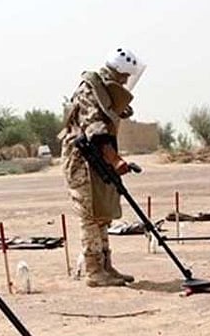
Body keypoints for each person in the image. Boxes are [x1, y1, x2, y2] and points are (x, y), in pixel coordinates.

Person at [59, 48, 146, 287]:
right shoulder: (90, 89)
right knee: (90, 215)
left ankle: (106, 266)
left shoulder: (103, 90)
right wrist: (115, 160)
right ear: (117, 72)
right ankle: (94, 271)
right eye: (124, 76)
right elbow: (95, 130)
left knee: (102, 214)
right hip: (82, 162)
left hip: (96, 160)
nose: (126, 82)